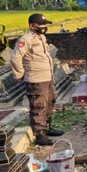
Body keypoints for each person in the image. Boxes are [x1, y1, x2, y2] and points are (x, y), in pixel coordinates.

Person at [11, 14, 64, 146]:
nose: (44, 27)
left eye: (45, 24)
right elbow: (16, 58)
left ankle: (47, 127)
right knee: (39, 105)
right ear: (32, 26)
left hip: (47, 77)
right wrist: (20, 74)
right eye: (41, 24)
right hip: (35, 79)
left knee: (50, 102)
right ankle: (39, 134)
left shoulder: (41, 37)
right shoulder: (26, 39)